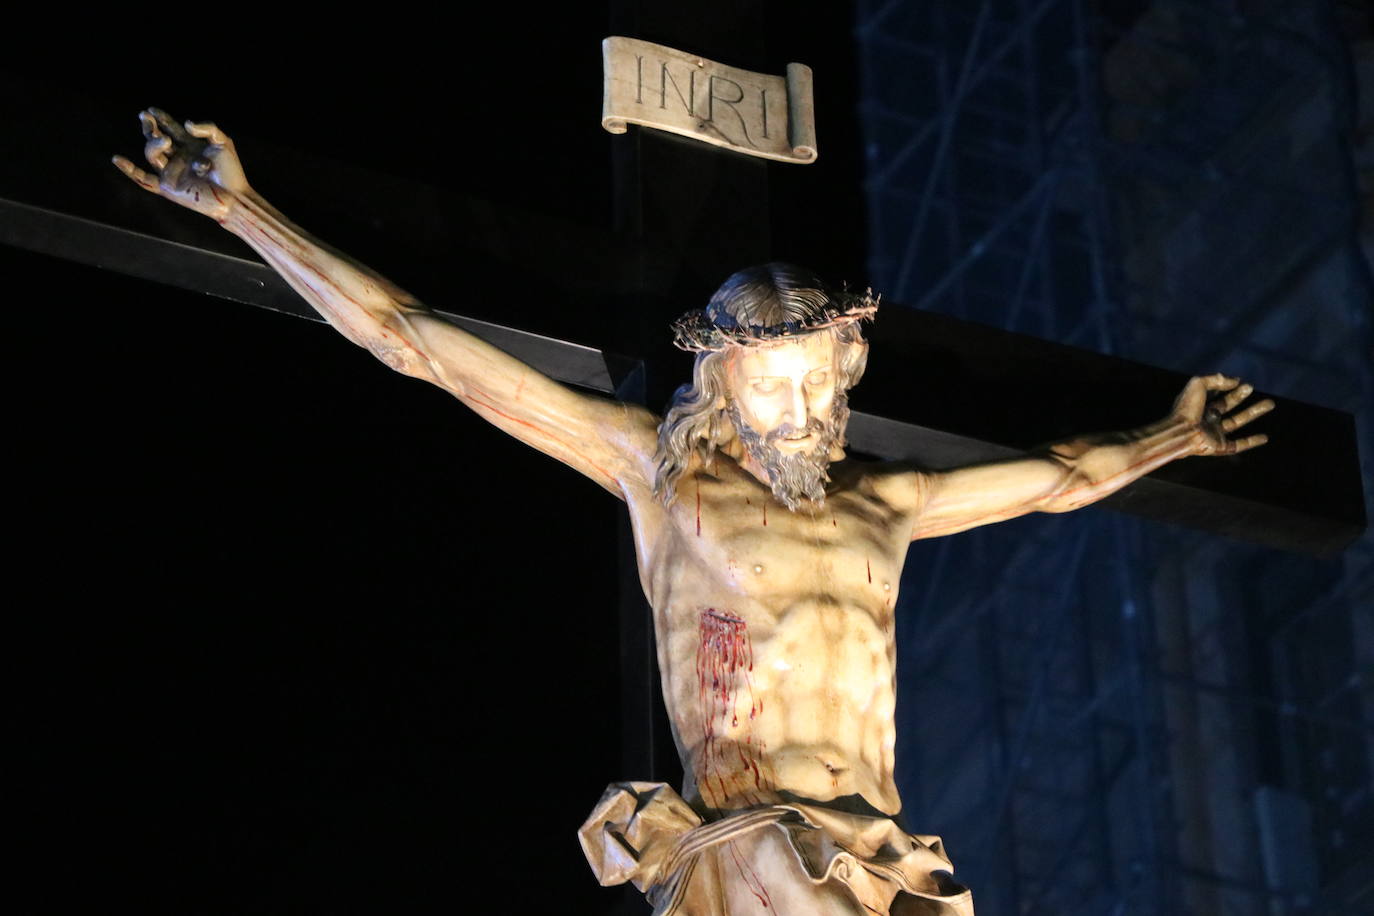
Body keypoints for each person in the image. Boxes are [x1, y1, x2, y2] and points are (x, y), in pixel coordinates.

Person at [115, 108, 1273, 915]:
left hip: (880, 853)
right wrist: (240, 207)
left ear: (848, 365)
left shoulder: (892, 501)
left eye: (818, 373)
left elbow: (1066, 475)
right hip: (753, 846)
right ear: (720, 378)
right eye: (770, 378)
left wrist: (1178, 437)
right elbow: (417, 342)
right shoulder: (657, 475)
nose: (798, 399)